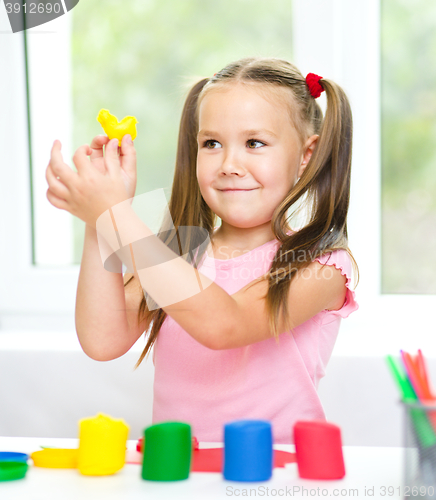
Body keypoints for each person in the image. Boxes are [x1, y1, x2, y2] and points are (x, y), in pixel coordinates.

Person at [46, 57, 359, 444]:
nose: (229, 164)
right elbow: (102, 340)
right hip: (179, 468)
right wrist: (99, 223)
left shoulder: (321, 264)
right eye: (211, 143)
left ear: (306, 155)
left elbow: (225, 325)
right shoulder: (179, 249)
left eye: (254, 143)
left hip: (272, 473)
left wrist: (116, 215)